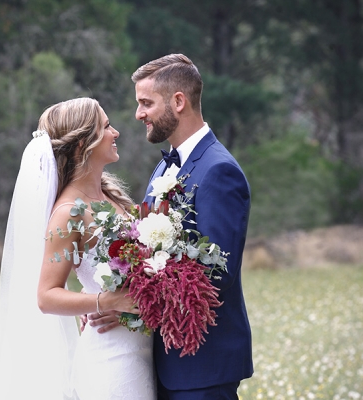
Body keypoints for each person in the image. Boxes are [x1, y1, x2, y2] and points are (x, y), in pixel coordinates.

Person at [0, 97, 156, 399]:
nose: (116, 132)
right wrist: (105, 301)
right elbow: (46, 296)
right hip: (112, 361)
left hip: (142, 351)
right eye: (107, 127)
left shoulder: (112, 197)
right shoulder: (69, 212)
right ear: (84, 145)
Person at [133, 53, 253, 399]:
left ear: (179, 101)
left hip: (203, 365)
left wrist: (134, 300)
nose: (139, 114)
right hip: (164, 360)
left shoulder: (219, 170)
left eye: (146, 103)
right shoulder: (164, 168)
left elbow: (218, 271)